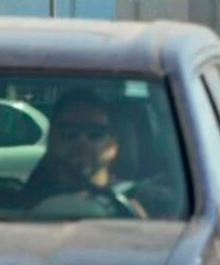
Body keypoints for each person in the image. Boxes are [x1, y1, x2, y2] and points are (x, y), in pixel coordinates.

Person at [21, 89, 149, 217]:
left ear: (112, 146)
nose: (82, 142)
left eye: (95, 134)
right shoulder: (17, 205)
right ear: (51, 142)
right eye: (69, 134)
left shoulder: (151, 202)